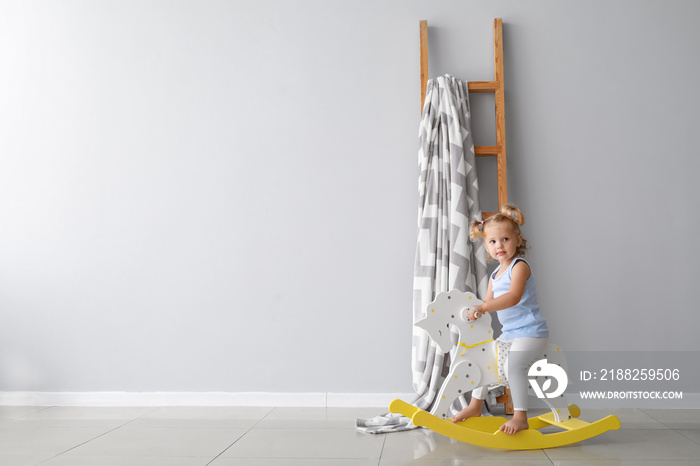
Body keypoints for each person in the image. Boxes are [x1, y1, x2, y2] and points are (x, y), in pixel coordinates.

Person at [451, 204, 549, 435]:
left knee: (514, 364)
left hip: (531, 333)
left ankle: (520, 417)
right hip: (510, 334)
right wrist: (475, 312)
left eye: (505, 239)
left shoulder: (520, 267)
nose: (499, 245)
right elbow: (487, 304)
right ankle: (475, 406)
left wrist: (483, 307)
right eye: (493, 241)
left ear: (517, 240)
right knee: (485, 360)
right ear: (486, 246)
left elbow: (513, 297)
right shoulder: (495, 275)